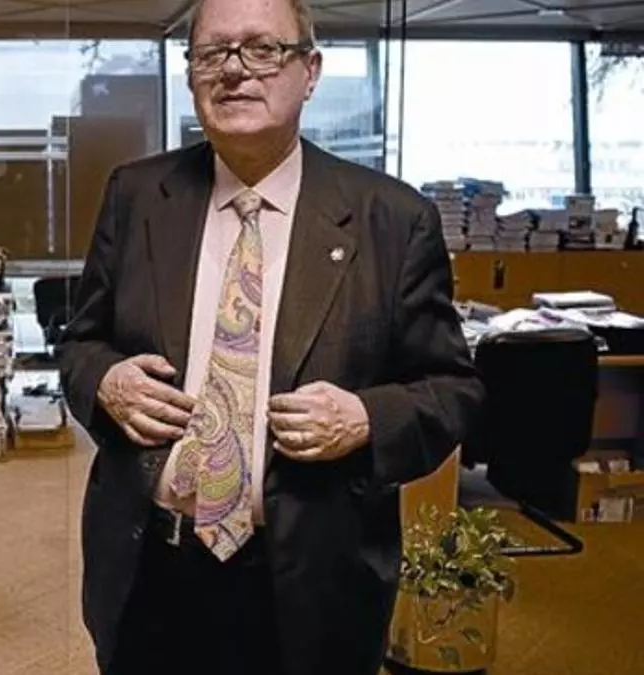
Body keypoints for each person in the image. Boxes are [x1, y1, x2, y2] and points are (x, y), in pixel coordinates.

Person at [57, 0, 485, 674]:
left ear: (309, 71)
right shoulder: (136, 196)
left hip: (314, 577)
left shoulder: (393, 219)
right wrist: (105, 380)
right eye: (212, 52)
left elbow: (453, 389)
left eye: (262, 49)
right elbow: (80, 345)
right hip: (151, 565)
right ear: (191, 74)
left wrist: (366, 417)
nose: (234, 70)